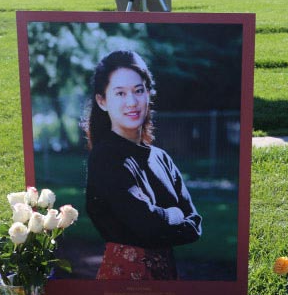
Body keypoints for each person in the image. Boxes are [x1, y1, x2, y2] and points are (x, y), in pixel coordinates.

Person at [83, 50, 202, 280]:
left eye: (138, 91)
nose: (132, 102)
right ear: (102, 101)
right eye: (120, 93)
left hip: (167, 281)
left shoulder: (161, 158)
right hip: (122, 283)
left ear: (148, 93)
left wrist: (160, 219)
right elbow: (145, 224)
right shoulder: (105, 157)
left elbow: (195, 225)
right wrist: (175, 214)